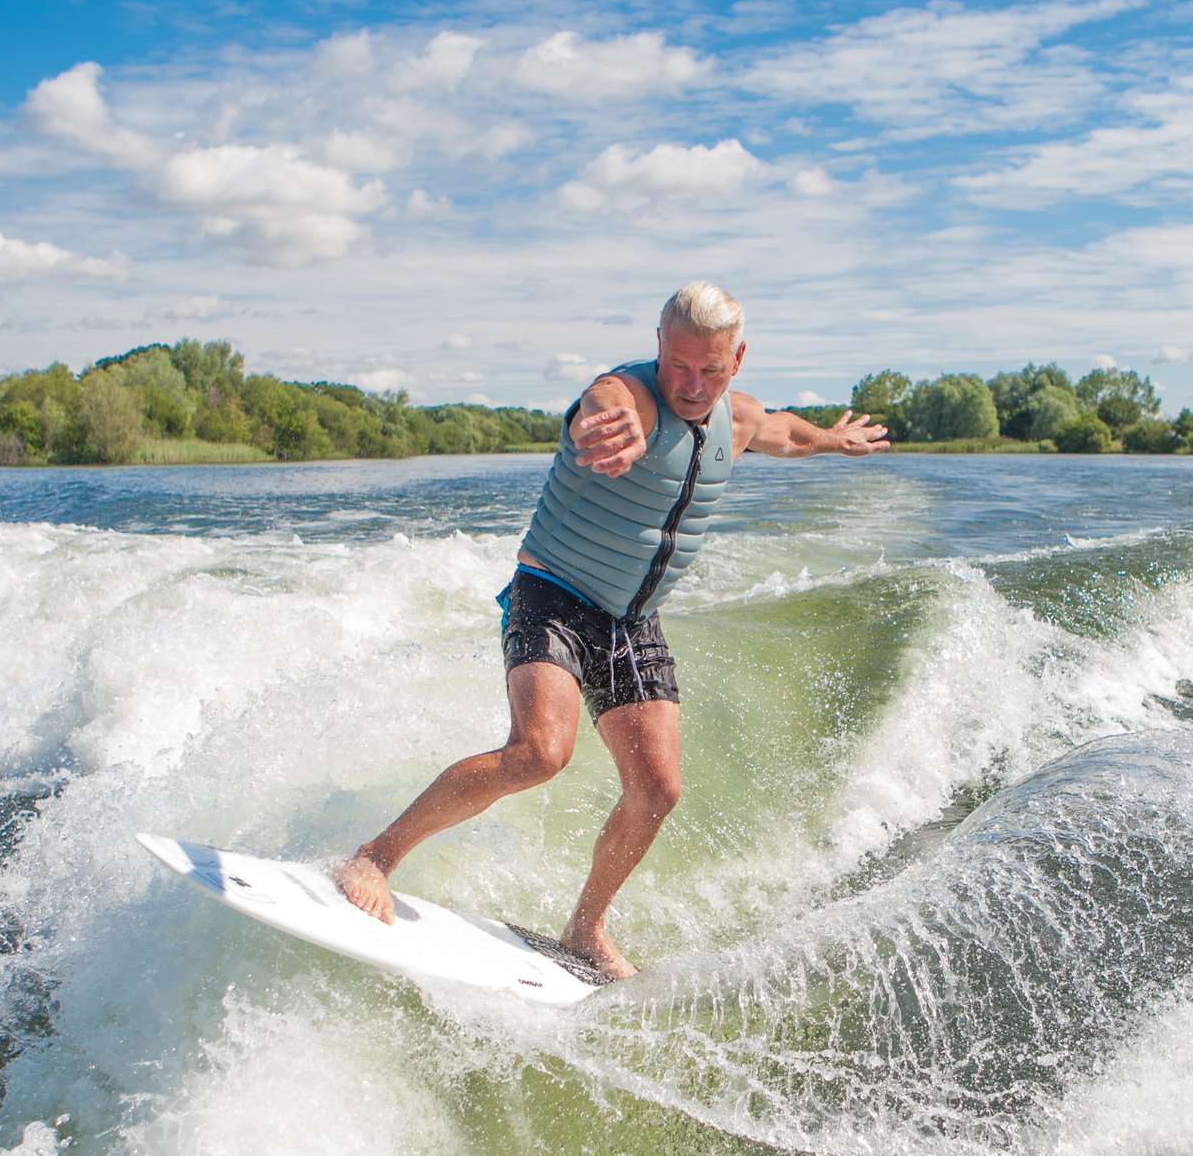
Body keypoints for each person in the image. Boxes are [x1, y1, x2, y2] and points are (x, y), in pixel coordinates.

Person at [336, 282, 889, 978]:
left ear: (737, 359)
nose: (691, 385)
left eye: (710, 369)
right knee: (539, 753)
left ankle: (585, 928)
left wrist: (835, 440)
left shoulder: (737, 418)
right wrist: (606, 425)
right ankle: (375, 856)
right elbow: (600, 403)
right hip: (554, 594)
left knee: (657, 789)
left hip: (632, 620)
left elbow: (785, 431)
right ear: (658, 347)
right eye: (677, 365)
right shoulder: (627, 396)